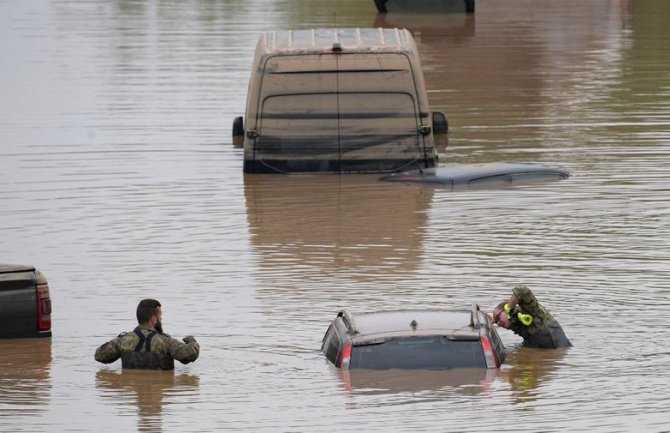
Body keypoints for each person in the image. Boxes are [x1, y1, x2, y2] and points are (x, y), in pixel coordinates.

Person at [95, 299, 200, 369]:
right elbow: (189, 354)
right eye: (160, 316)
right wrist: (191, 341)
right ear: (154, 319)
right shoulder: (166, 342)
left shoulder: (124, 341)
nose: (161, 319)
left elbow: (99, 356)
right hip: (160, 386)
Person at [492, 285, 571, 349]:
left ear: (505, 310)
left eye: (498, 317)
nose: (498, 323)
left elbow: (522, 290)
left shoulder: (529, 311)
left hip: (557, 345)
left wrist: (509, 308)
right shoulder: (514, 322)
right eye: (496, 322)